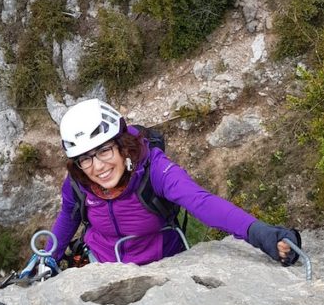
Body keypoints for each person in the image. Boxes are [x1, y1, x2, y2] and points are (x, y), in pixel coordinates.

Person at [42, 98, 300, 269]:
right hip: (101, 264)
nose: (97, 167)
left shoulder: (154, 169)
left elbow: (200, 202)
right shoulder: (79, 179)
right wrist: (45, 260)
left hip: (160, 265)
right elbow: (68, 215)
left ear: (121, 145)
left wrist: (261, 234)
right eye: (85, 158)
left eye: (105, 151)